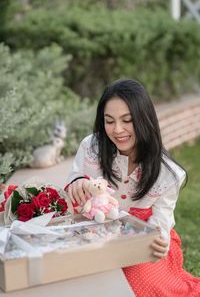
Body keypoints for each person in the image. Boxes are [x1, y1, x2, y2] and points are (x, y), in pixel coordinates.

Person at [66, 79, 200, 296]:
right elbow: (75, 181)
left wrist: (158, 242)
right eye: (109, 121)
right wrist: (77, 183)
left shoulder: (169, 174)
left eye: (127, 120)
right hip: (95, 230)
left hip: (140, 239)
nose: (117, 130)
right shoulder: (91, 147)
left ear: (143, 119)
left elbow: (161, 220)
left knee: (138, 285)